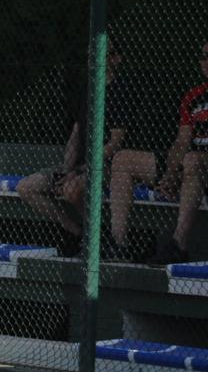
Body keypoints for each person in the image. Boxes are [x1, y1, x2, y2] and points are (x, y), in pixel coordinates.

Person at [16, 41, 128, 258]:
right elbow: (76, 134)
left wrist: (81, 171)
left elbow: (116, 142)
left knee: (71, 189)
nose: (94, 61)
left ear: (116, 59)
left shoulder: (120, 91)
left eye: (103, 55)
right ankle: (78, 233)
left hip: (107, 167)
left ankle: (98, 237)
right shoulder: (88, 90)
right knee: (26, 187)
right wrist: (67, 169)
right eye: (90, 56)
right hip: (79, 167)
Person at [112, 41, 208, 265]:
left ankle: (178, 244)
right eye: (202, 56)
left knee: (193, 160)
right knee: (122, 159)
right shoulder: (194, 96)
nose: (202, 62)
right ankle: (120, 245)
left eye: (207, 56)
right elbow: (183, 140)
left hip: (199, 163)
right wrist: (171, 172)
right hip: (190, 165)